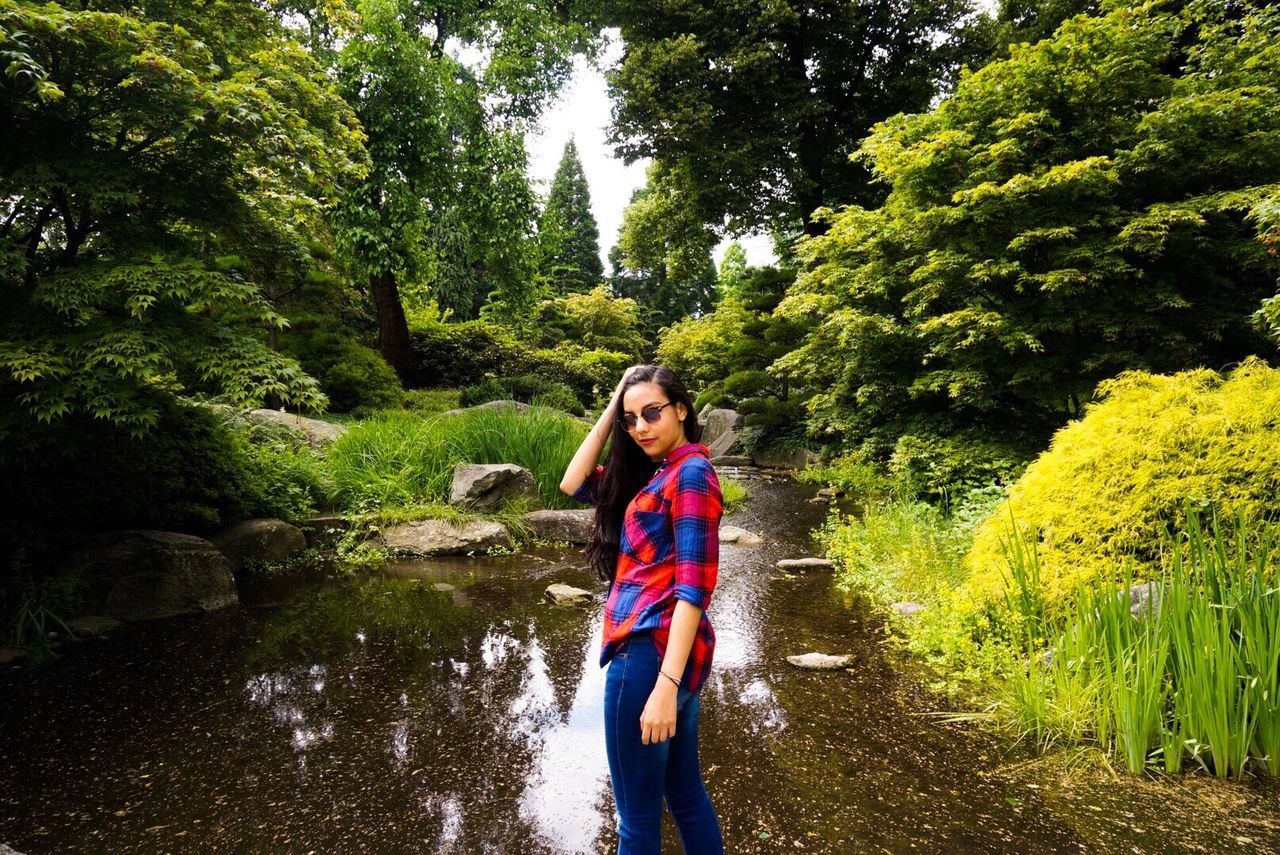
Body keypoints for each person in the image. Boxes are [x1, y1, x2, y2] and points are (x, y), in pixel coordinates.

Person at [559, 364, 725, 855]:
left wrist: (665, 688)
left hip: (648, 661)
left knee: (635, 820)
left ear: (681, 409)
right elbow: (573, 482)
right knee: (684, 794)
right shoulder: (660, 473)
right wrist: (616, 404)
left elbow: (694, 589)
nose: (641, 428)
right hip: (668, 656)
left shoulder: (691, 474)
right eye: (631, 420)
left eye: (651, 413)